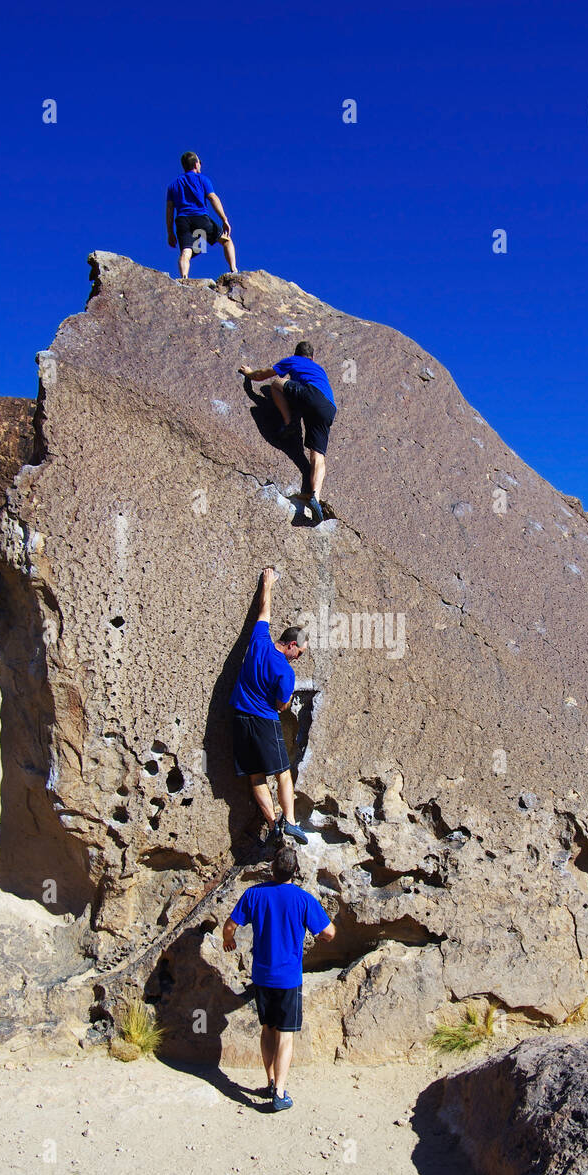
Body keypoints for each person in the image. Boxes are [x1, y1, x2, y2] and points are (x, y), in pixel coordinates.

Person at [223, 845, 336, 1111]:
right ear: (295, 871)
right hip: (288, 979)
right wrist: (318, 935)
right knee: (286, 1035)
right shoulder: (303, 899)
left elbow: (229, 926)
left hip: (262, 975)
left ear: (272, 869)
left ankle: (271, 1082)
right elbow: (329, 932)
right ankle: (280, 1093)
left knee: (267, 1030)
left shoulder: (254, 895)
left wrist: (229, 940)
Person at [230, 567, 310, 845]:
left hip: (240, 717)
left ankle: (272, 823)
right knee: (283, 773)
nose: (298, 657)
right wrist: (283, 705)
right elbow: (281, 704)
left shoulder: (259, 640)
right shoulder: (286, 673)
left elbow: (263, 612)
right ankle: (289, 822)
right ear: (290, 645)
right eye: (298, 652)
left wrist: (267, 583)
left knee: (255, 777)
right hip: (264, 719)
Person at [238, 341, 336, 525]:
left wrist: (249, 374)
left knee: (276, 383)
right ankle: (315, 496)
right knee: (318, 456)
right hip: (328, 408)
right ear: (313, 357)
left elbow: (263, 375)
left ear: (297, 354)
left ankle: (289, 422)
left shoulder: (294, 360)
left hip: (310, 395)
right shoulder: (319, 369)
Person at [166, 151, 237, 279]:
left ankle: (184, 278)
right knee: (227, 241)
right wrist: (224, 219)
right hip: (199, 217)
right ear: (196, 164)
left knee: (186, 251)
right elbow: (213, 198)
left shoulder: (173, 185)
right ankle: (234, 271)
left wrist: (170, 232)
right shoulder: (202, 179)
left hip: (182, 220)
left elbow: (169, 210)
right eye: (200, 162)